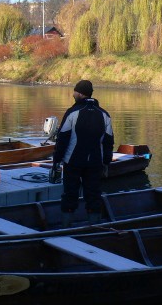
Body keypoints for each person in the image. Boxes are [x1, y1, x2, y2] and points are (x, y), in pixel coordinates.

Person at [53, 80, 114, 227]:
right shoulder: (104, 114)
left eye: (74, 91)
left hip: (72, 161)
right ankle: (94, 229)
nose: (73, 94)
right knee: (93, 195)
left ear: (79, 93)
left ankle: (66, 228)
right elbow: (108, 142)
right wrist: (106, 162)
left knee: (69, 195)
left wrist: (56, 161)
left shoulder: (72, 113)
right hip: (95, 163)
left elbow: (62, 139)